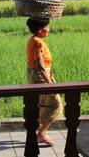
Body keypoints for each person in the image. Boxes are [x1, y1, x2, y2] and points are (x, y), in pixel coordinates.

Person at [25, 17, 63, 145]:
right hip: (41, 76)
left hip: (36, 75)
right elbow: (40, 64)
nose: (49, 29)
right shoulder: (38, 43)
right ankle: (41, 133)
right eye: (47, 27)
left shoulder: (32, 40)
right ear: (41, 30)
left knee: (43, 103)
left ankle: (38, 130)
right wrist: (49, 82)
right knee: (55, 103)